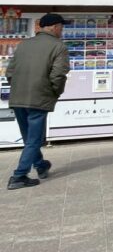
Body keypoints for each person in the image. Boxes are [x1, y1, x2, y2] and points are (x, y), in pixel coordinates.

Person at [7, 13, 69, 190]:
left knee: (29, 138)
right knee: (34, 139)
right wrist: (54, 93)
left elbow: (10, 72)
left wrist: (18, 89)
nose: (62, 31)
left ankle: (41, 165)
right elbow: (58, 75)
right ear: (54, 27)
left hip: (17, 98)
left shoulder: (24, 44)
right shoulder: (59, 46)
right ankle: (19, 176)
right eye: (61, 27)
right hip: (39, 98)